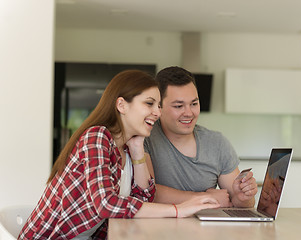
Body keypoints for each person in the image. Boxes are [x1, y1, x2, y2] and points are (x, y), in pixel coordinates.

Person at [18, 70, 220, 240]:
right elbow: (106, 204)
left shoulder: (125, 148)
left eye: (158, 105)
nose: (157, 112)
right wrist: (178, 209)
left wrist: (138, 150)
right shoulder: (97, 137)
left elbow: (145, 198)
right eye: (149, 104)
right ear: (122, 105)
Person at [144, 66, 258, 208]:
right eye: (179, 106)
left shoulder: (217, 143)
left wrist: (243, 197)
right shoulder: (145, 138)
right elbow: (146, 192)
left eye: (194, 104)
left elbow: (241, 203)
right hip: (158, 228)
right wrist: (205, 198)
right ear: (158, 107)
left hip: (206, 229)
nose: (189, 113)